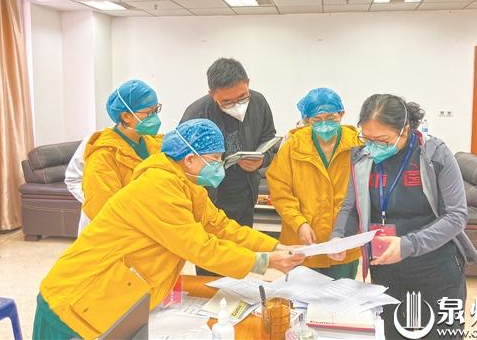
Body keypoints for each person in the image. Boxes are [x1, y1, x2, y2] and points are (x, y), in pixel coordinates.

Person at [33, 119, 305, 340]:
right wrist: (266, 262)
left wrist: (275, 246)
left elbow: (220, 226)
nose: (220, 166)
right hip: (75, 300)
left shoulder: (186, 185)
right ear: (190, 159)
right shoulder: (158, 186)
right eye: (215, 158)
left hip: (113, 294)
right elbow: (201, 248)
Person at [329, 94, 477, 339]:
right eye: (367, 138)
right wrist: (339, 235)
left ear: (405, 131)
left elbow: (456, 216)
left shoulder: (434, 154)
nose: (373, 146)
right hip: (386, 268)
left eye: (382, 140)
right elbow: (351, 207)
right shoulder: (362, 157)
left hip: (435, 266)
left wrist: (408, 244)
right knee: (392, 332)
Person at [180, 58, 277, 275]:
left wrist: (261, 160)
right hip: (210, 200)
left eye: (242, 97)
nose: (236, 105)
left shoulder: (259, 103)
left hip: (245, 195)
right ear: (211, 94)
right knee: (212, 264)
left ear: (248, 83)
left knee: (242, 260)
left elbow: (269, 139)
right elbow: (184, 163)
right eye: (226, 102)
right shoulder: (197, 114)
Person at [267, 88, 363, 279]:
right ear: (306, 120)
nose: (324, 124)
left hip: (344, 243)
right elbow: (280, 191)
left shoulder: (357, 145)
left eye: (331, 118)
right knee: (301, 294)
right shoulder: (293, 145)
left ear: (342, 114)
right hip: (302, 243)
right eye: (317, 120)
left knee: (341, 294)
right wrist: (299, 223)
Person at [79, 79, 163, 231]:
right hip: (120, 234)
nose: (154, 118)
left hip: (149, 225)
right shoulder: (103, 156)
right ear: (126, 116)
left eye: (156, 110)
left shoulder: (152, 143)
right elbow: (105, 210)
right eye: (149, 113)